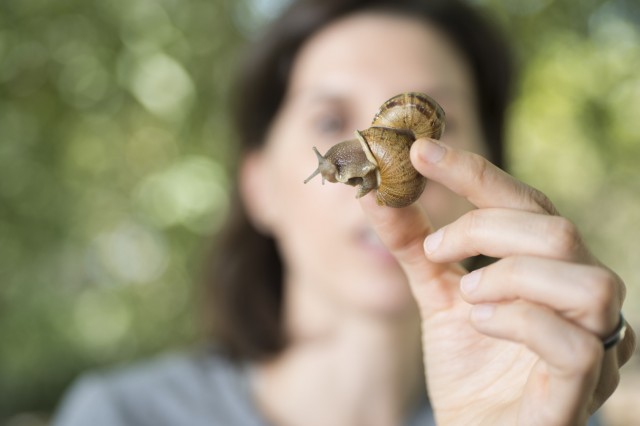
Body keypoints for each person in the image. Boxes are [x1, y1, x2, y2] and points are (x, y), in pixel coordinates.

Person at [53, 0, 636, 425]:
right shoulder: (122, 413)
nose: (393, 163)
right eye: (330, 120)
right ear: (259, 186)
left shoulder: (552, 401)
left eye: (441, 127)